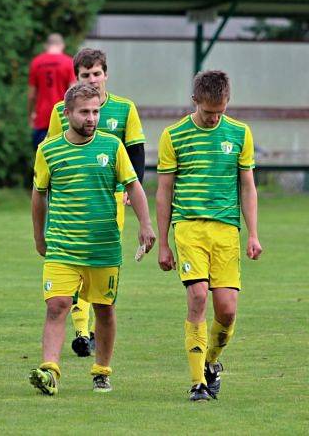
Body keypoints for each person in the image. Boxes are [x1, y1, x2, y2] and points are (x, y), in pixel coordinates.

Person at [29, 84, 155, 396]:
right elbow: (38, 196)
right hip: (62, 245)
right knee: (57, 306)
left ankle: (101, 371)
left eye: (96, 111)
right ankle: (50, 371)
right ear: (67, 113)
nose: (91, 118)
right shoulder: (48, 150)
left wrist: (145, 224)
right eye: (85, 112)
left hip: (103, 247)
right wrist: (39, 236)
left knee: (104, 310)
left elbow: (134, 186)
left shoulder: (112, 147)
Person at [156, 70, 262, 402]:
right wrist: (163, 242)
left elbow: (247, 186)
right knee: (198, 296)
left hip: (227, 230)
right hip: (189, 228)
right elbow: (164, 191)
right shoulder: (173, 136)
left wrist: (253, 234)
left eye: (221, 110)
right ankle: (196, 384)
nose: (215, 117)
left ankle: (211, 364)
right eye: (208, 111)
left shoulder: (240, 133)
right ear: (194, 102)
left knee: (227, 310)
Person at [46, 48, 146, 358]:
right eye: (86, 75)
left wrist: (133, 187)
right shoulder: (60, 111)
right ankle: (81, 330)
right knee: (72, 261)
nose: (93, 79)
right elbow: (50, 155)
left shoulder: (124, 109)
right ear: (76, 77)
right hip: (73, 200)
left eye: (97, 73)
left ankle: (87, 332)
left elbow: (137, 150)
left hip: (111, 196)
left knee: (95, 260)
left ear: (106, 74)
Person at [27, 33, 75, 148]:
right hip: (63, 120)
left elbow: (31, 95)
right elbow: (74, 93)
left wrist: (30, 115)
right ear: (62, 45)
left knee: (42, 161)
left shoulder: (36, 62)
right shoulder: (69, 62)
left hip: (41, 120)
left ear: (46, 46)